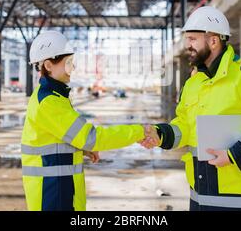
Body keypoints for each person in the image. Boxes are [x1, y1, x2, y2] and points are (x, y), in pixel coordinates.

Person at [142, 6, 241, 211]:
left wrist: (234, 155)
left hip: (239, 201)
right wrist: (162, 135)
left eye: (193, 39)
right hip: (199, 197)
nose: (188, 45)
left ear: (213, 40)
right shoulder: (193, 84)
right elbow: (185, 125)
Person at [21, 30, 159, 211]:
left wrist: (80, 149)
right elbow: (92, 137)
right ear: (48, 65)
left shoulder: (53, 96)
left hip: (57, 190)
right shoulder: (49, 102)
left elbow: (55, 139)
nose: (73, 68)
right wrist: (139, 131)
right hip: (53, 195)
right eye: (68, 63)